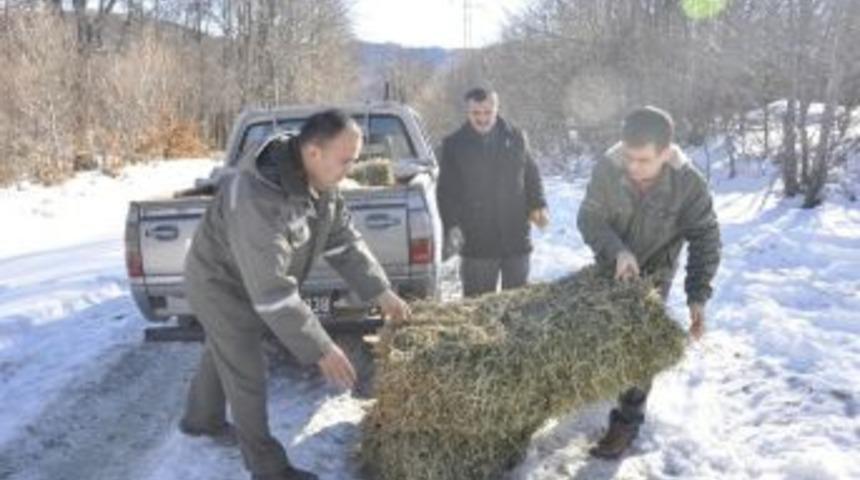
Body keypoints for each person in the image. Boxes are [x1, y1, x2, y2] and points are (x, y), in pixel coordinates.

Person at [178, 109, 412, 480]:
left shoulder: (322, 185)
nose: (350, 169)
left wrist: (380, 291)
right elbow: (272, 293)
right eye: (345, 160)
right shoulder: (257, 196)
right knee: (245, 369)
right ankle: (268, 468)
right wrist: (321, 346)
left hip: (256, 278)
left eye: (355, 160)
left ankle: (200, 419)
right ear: (314, 152)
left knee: (222, 347)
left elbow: (343, 241)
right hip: (221, 284)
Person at [577, 106, 721, 459]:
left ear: (666, 153)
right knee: (604, 331)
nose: (634, 167)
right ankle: (599, 383)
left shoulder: (688, 184)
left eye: (644, 160)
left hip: (656, 272)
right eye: (629, 157)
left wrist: (697, 296)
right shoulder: (608, 168)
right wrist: (618, 252)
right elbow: (589, 217)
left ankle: (627, 420)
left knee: (638, 345)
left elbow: (706, 238)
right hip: (610, 265)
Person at [437, 87, 549, 297]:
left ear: (497, 109)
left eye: (488, 112)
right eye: (476, 113)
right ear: (467, 112)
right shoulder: (454, 145)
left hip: (516, 240)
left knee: (516, 308)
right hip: (478, 244)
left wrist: (538, 205)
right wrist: (452, 225)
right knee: (477, 309)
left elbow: (531, 176)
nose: (482, 118)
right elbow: (446, 192)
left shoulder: (516, 137)